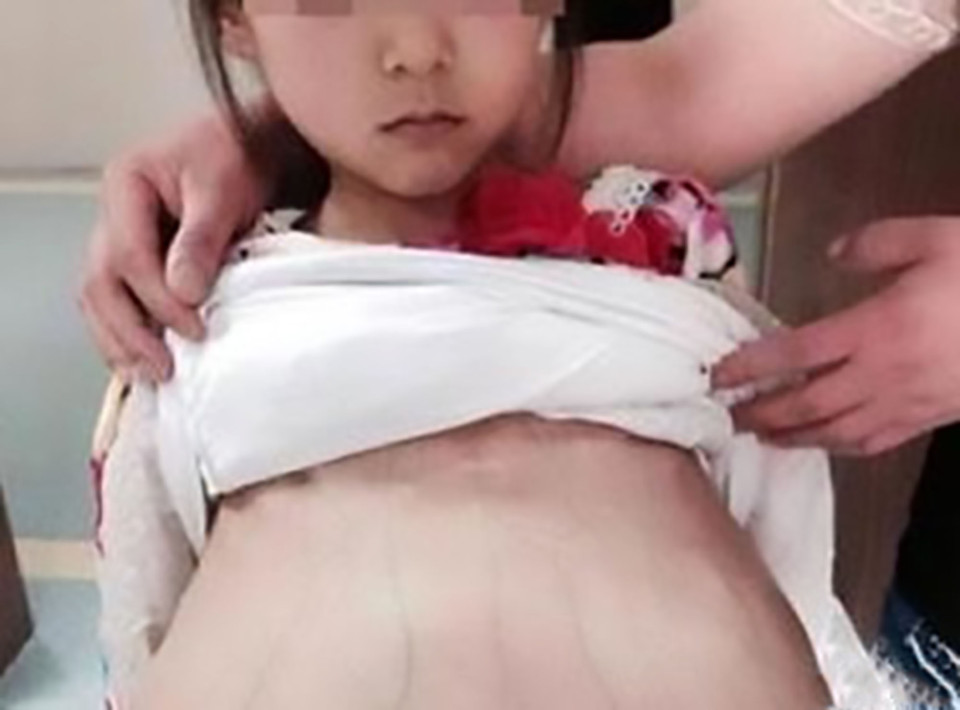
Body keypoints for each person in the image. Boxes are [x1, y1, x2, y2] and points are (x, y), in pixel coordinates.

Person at [88, 1, 903, 709]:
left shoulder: (657, 237)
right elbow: (146, 588)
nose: (417, 49)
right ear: (233, 16)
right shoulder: (202, 299)